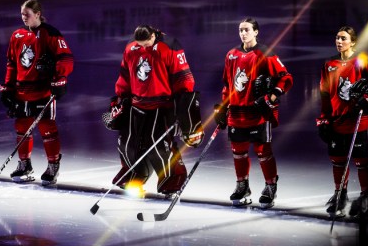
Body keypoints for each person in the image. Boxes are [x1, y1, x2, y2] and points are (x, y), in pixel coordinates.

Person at [105, 24, 203, 197]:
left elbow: (183, 77)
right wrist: (120, 99)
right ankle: (134, 176)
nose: (143, 48)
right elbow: (125, 75)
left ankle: (172, 180)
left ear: (153, 35)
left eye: (146, 44)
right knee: (127, 144)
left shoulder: (170, 45)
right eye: (140, 45)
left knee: (159, 145)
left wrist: (184, 105)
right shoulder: (131, 47)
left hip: (162, 105)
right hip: (136, 103)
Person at [316, 25, 368, 218]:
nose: (339, 41)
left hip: (360, 121)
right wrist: (323, 119)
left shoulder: (364, 60)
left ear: (353, 42)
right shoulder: (329, 65)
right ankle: (339, 197)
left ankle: (367, 198)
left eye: (343, 38)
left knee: (362, 162)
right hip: (336, 121)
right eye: (337, 37)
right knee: (338, 162)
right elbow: (325, 95)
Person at [215, 17, 293, 208]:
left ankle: (270, 186)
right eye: (241, 30)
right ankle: (242, 185)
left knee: (262, 151)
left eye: (247, 30)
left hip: (257, 112)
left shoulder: (265, 53)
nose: (243, 33)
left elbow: (286, 78)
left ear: (256, 32)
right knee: (238, 152)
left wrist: (272, 97)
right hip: (236, 111)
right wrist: (222, 107)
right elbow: (227, 84)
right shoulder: (231, 55)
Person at [0, 0, 74, 185]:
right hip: (21, 91)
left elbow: (66, 59)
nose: (24, 17)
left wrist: (57, 75)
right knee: (22, 129)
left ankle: (53, 165)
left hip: (42, 91)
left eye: (28, 14)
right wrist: (8, 87)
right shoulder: (17, 35)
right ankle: (24, 164)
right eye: (22, 14)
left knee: (47, 129)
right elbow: (11, 64)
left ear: (38, 14)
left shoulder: (51, 34)